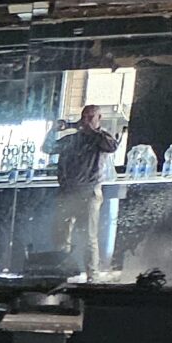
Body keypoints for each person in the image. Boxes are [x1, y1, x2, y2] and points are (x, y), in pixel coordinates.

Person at [47, 104, 118, 278]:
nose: (86, 121)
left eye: (90, 117)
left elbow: (112, 146)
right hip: (67, 191)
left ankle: (92, 275)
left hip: (89, 192)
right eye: (84, 117)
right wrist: (53, 131)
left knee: (88, 237)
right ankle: (61, 272)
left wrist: (91, 130)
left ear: (98, 119)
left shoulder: (100, 138)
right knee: (61, 236)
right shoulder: (72, 139)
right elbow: (48, 148)